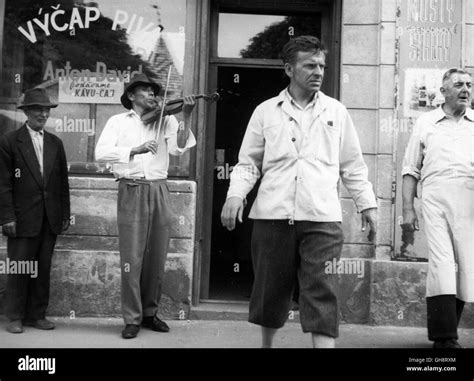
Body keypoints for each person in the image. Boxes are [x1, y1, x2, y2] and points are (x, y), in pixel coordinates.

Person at [221, 36, 377, 348]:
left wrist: (367, 206)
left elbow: (353, 165)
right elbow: (248, 162)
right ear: (289, 69)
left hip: (322, 216)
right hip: (272, 214)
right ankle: (267, 346)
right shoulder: (266, 111)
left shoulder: (337, 111)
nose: (318, 71)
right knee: (270, 290)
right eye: (310, 65)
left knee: (322, 289)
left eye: (322, 65)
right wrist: (234, 195)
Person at [95, 74, 196, 339]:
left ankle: (150, 313)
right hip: (131, 188)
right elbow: (100, 153)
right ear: (131, 96)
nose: (152, 96)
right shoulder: (117, 121)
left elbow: (180, 148)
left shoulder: (166, 118)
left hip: (159, 187)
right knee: (132, 258)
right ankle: (131, 318)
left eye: (154, 92)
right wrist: (135, 149)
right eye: (146, 92)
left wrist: (187, 114)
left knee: (156, 254)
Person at [402, 68, 473, 349]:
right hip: (434, 198)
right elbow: (410, 169)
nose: (465, 89)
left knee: (467, 265)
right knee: (442, 264)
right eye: (458, 84)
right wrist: (408, 209)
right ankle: (444, 338)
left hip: (468, 199)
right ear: (443, 91)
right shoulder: (426, 122)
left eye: (469, 84)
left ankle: (448, 332)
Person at [0, 87, 70, 334]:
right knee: (20, 267)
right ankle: (15, 316)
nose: (43, 114)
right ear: (26, 112)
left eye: (46, 110)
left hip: (49, 218)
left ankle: (37, 315)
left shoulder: (55, 144)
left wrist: (64, 215)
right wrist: (6, 217)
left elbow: (62, 184)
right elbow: (3, 184)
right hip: (21, 218)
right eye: (38, 109)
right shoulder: (9, 141)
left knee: (41, 268)